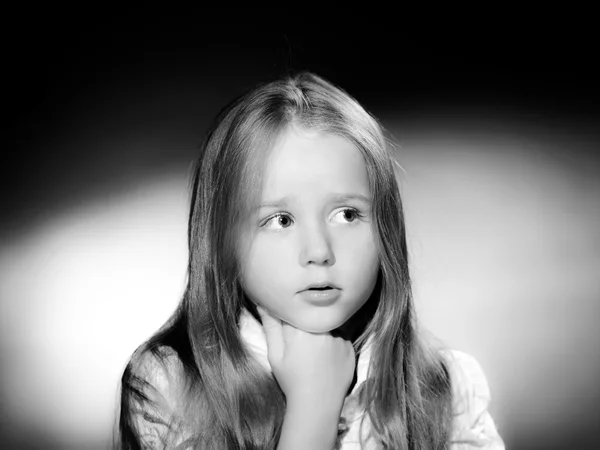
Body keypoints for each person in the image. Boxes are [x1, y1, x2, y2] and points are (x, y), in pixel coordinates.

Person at [116, 72, 505, 449]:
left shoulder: (447, 388)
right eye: (280, 221)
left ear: (386, 228)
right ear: (221, 241)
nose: (319, 251)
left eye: (347, 215)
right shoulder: (171, 384)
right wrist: (313, 406)